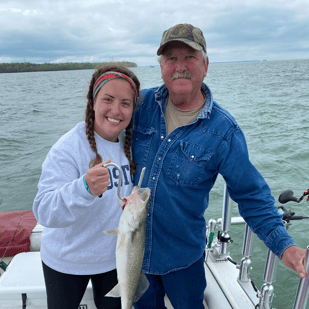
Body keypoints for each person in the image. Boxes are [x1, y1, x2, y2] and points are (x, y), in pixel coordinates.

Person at [132, 23, 308, 309]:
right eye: (171, 59)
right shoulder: (139, 105)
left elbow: (251, 195)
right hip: (133, 254)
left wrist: (284, 246)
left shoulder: (224, 130)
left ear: (206, 64)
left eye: (189, 57)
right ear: (161, 65)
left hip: (183, 259)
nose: (180, 67)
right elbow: (100, 130)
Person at [33, 64, 140, 309]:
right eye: (108, 99)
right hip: (65, 260)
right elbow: (43, 210)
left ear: (133, 109)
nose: (116, 110)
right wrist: (83, 188)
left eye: (126, 103)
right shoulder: (67, 148)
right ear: (93, 102)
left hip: (112, 260)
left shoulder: (131, 144)